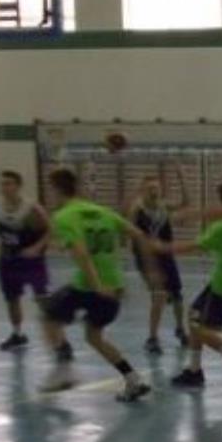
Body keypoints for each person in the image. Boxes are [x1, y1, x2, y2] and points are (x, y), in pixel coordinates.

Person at [38, 168, 152, 403]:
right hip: (115, 287)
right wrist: (151, 271)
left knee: (48, 315)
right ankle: (133, 379)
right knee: (94, 337)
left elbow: (81, 252)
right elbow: (139, 235)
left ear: (56, 189)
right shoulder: (103, 212)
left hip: (90, 286)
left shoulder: (65, 216)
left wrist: (96, 284)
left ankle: (64, 367)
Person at [161, 180, 222, 391]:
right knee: (197, 319)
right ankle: (194, 371)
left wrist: (162, 247)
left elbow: (195, 246)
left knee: (201, 329)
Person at [0, 170, 60, 353]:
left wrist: (37, 248)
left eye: (9, 183)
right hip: (8, 260)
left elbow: (51, 230)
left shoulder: (31, 208)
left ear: (18, 186)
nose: (4, 187)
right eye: (2, 183)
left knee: (42, 299)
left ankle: (59, 340)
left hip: (32, 261)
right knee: (12, 299)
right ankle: (17, 334)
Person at [129, 168, 190, 354]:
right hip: (147, 258)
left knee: (177, 295)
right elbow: (129, 233)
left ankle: (180, 330)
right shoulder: (137, 209)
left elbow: (185, 203)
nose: (154, 191)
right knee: (159, 295)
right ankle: (152, 338)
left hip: (166, 255)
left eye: (156, 188)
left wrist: (182, 178)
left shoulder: (164, 205)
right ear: (143, 190)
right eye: (150, 188)